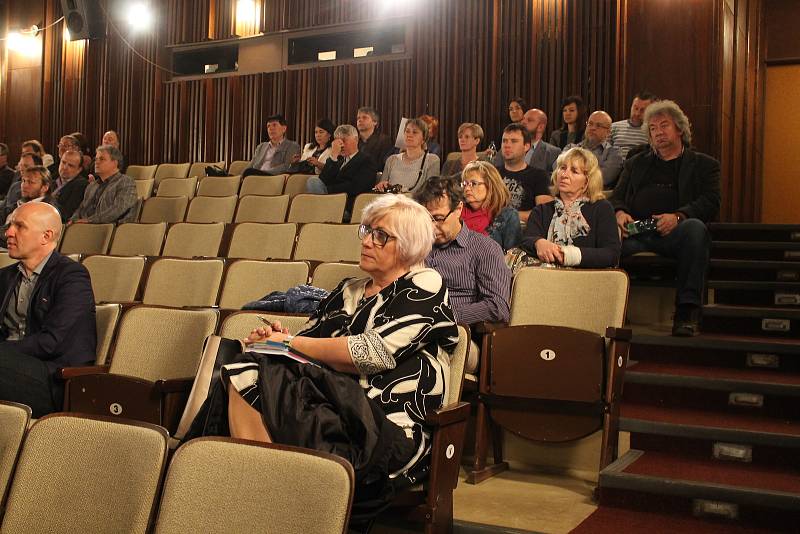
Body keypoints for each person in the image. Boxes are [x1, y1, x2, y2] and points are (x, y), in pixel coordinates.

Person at [187, 194, 458, 521]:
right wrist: (273, 343)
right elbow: (305, 348)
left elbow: (370, 354)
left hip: (381, 429)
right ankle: (262, 497)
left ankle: (256, 497)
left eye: (381, 235)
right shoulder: (348, 290)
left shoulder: (424, 284)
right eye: (367, 231)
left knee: (247, 373)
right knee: (249, 365)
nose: (368, 241)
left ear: (409, 246)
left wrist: (288, 343)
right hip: (324, 407)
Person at [611, 100, 721, 336]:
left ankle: (687, 312)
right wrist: (619, 213)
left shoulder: (704, 165)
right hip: (637, 231)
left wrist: (679, 216)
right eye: (652, 128)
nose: (658, 132)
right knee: (602, 237)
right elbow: (616, 197)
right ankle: (604, 310)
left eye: (664, 126)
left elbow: (711, 201)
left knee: (695, 229)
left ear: (680, 129)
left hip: (675, 232)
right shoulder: (634, 164)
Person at [0, 202, 96, 418]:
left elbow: (52, 342)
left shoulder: (72, 276)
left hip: (53, 377)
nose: (9, 233)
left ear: (46, 236)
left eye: (19, 226)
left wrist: (3, 350)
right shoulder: (6, 276)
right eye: (9, 225)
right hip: (9, 364)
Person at [415, 175, 511, 374]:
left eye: (439, 218)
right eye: (426, 219)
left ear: (458, 209)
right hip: (412, 328)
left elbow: (498, 307)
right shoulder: (416, 246)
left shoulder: (484, 248)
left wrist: (442, 317)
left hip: (460, 335)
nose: (432, 227)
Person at [521, 147, 620, 268]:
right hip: (546, 278)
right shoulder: (542, 210)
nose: (564, 174)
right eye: (562, 168)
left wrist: (570, 255)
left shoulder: (602, 208)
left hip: (588, 278)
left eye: (574, 171)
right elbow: (526, 241)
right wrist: (538, 243)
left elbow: (611, 254)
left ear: (587, 181)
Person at [305, 124, 376, 216]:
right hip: (331, 201)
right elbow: (323, 179)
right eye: (338, 142)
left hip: (348, 204)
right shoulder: (338, 160)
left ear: (356, 140)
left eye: (344, 140)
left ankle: (321, 211)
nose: (341, 145)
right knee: (313, 181)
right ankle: (322, 211)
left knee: (314, 184)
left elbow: (357, 186)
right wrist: (333, 156)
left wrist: (328, 190)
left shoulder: (366, 160)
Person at [496, 123, 552, 223]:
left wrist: (506, 215)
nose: (507, 145)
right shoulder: (491, 174)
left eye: (514, 141)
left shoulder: (539, 176)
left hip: (522, 231)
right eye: (504, 141)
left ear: (526, 146)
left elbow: (544, 214)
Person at [460, 161, 522, 251]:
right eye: (465, 184)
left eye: (473, 183)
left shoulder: (508, 215)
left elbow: (512, 256)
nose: (467, 188)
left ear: (490, 185)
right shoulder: (456, 212)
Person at [70, 145, 138, 224]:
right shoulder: (92, 186)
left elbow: (118, 209)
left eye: (102, 159)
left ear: (115, 163)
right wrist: (73, 220)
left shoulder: (125, 182)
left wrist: (90, 220)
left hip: (110, 229)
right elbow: (82, 208)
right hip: (86, 228)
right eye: (96, 159)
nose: (96, 162)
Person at [375, 118, 440, 193]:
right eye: (407, 131)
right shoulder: (391, 159)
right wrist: (381, 186)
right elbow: (382, 187)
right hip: (390, 202)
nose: (409, 135)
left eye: (415, 132)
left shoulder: (432, 160)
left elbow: (431, 191)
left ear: (423, 139)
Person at [564, 110, 623, 188]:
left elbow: (603, 178)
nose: (593, 128)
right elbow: (558, 170)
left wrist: (572, 174)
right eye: (590, 124)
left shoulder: (614, 153)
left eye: (598, 125)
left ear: (608, 132)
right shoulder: (570, 148)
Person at [493, 108, 562, 172]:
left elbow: (554, 180)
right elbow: (495, 173)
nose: (523, 122)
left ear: (540, 127)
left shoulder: (553, 153)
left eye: (529, 120)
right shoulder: (506, 148)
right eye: (523, 119)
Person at [610, 91, 657, 160]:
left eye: (642, 110)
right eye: (635, 108)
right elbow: (604, 152)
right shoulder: (614, 127)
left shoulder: (652, 130)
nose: (637, 113)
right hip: (615, 166)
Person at [1, 154, 44, 223]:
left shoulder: (45, 208)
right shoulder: (16, 186)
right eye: (20, 165)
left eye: (26, 166)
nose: (21, 168)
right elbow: (5, 208)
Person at [52, 150, 89, 222]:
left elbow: (68, 214)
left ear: (79, 169)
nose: (65, 167)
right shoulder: (52, 182)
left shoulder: (81, 185)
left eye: (70, 165)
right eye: (63, 162)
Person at [356, 106, 393, 172]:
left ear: (375, 122)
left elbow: (383, 164)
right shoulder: (353, 140)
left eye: (364, 117)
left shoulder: (384, 140)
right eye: (358, 118)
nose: (360, 120)